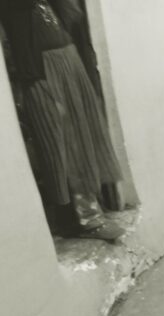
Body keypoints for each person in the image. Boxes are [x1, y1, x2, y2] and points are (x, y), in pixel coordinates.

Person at [0, 0, 124, 241]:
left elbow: (72, 13)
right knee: (61, 142)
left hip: (69, 59)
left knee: (81, 136)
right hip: (40, 68)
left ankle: (91, 212)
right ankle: (81, 220)